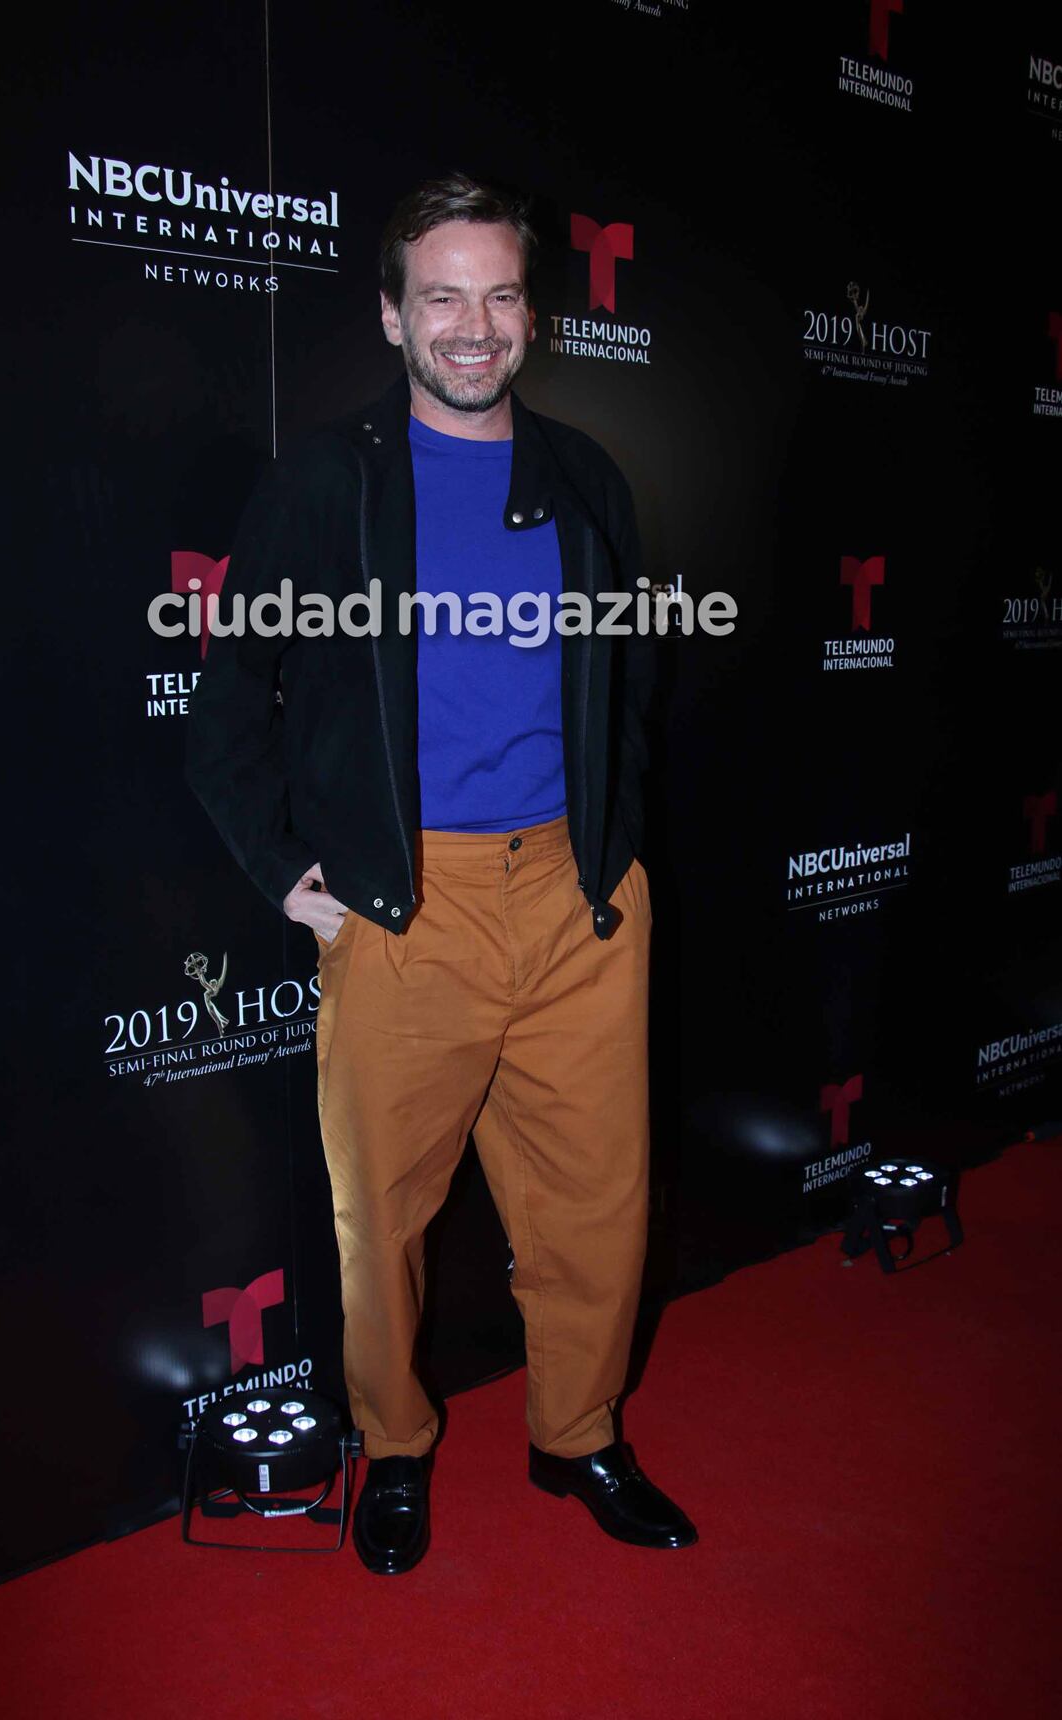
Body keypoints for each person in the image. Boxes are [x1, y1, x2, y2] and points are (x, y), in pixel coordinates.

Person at [187, 172, 697, 1574]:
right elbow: (231, 701)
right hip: (407, 908)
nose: (473, 327)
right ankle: (396, 1448)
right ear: (393, 315)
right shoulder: (325, 484)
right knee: (383, 1225)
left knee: (596, 1202)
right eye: (442, 298)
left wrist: (616, 850)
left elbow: (628, 690)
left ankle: (577, 1433)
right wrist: (287, 871)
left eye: (500, 295)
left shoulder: (588, 478)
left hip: (579, 903)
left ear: (533, 313)